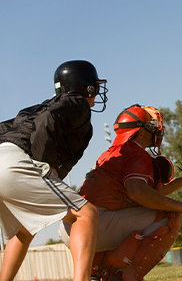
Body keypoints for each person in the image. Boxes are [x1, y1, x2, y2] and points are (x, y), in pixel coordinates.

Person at [59, 104, 182, 281]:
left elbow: (153, 193)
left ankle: (98, 273)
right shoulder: (136, 153)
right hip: (93, 225)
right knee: (172, 216)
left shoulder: (110, 153)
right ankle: (125, 276)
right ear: (140, 132)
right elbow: (138, 192)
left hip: (72, 227)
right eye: (150, 127)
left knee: (128, 215)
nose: (155, 131)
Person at [0, 60, 107, 281]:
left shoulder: (37, 106)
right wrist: (46, 165)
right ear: (88, 86)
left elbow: (4, 127)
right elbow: (48, 120)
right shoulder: (78, 103)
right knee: (85, 215)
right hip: (14, 163)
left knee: (23, 229)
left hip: (4, 156)